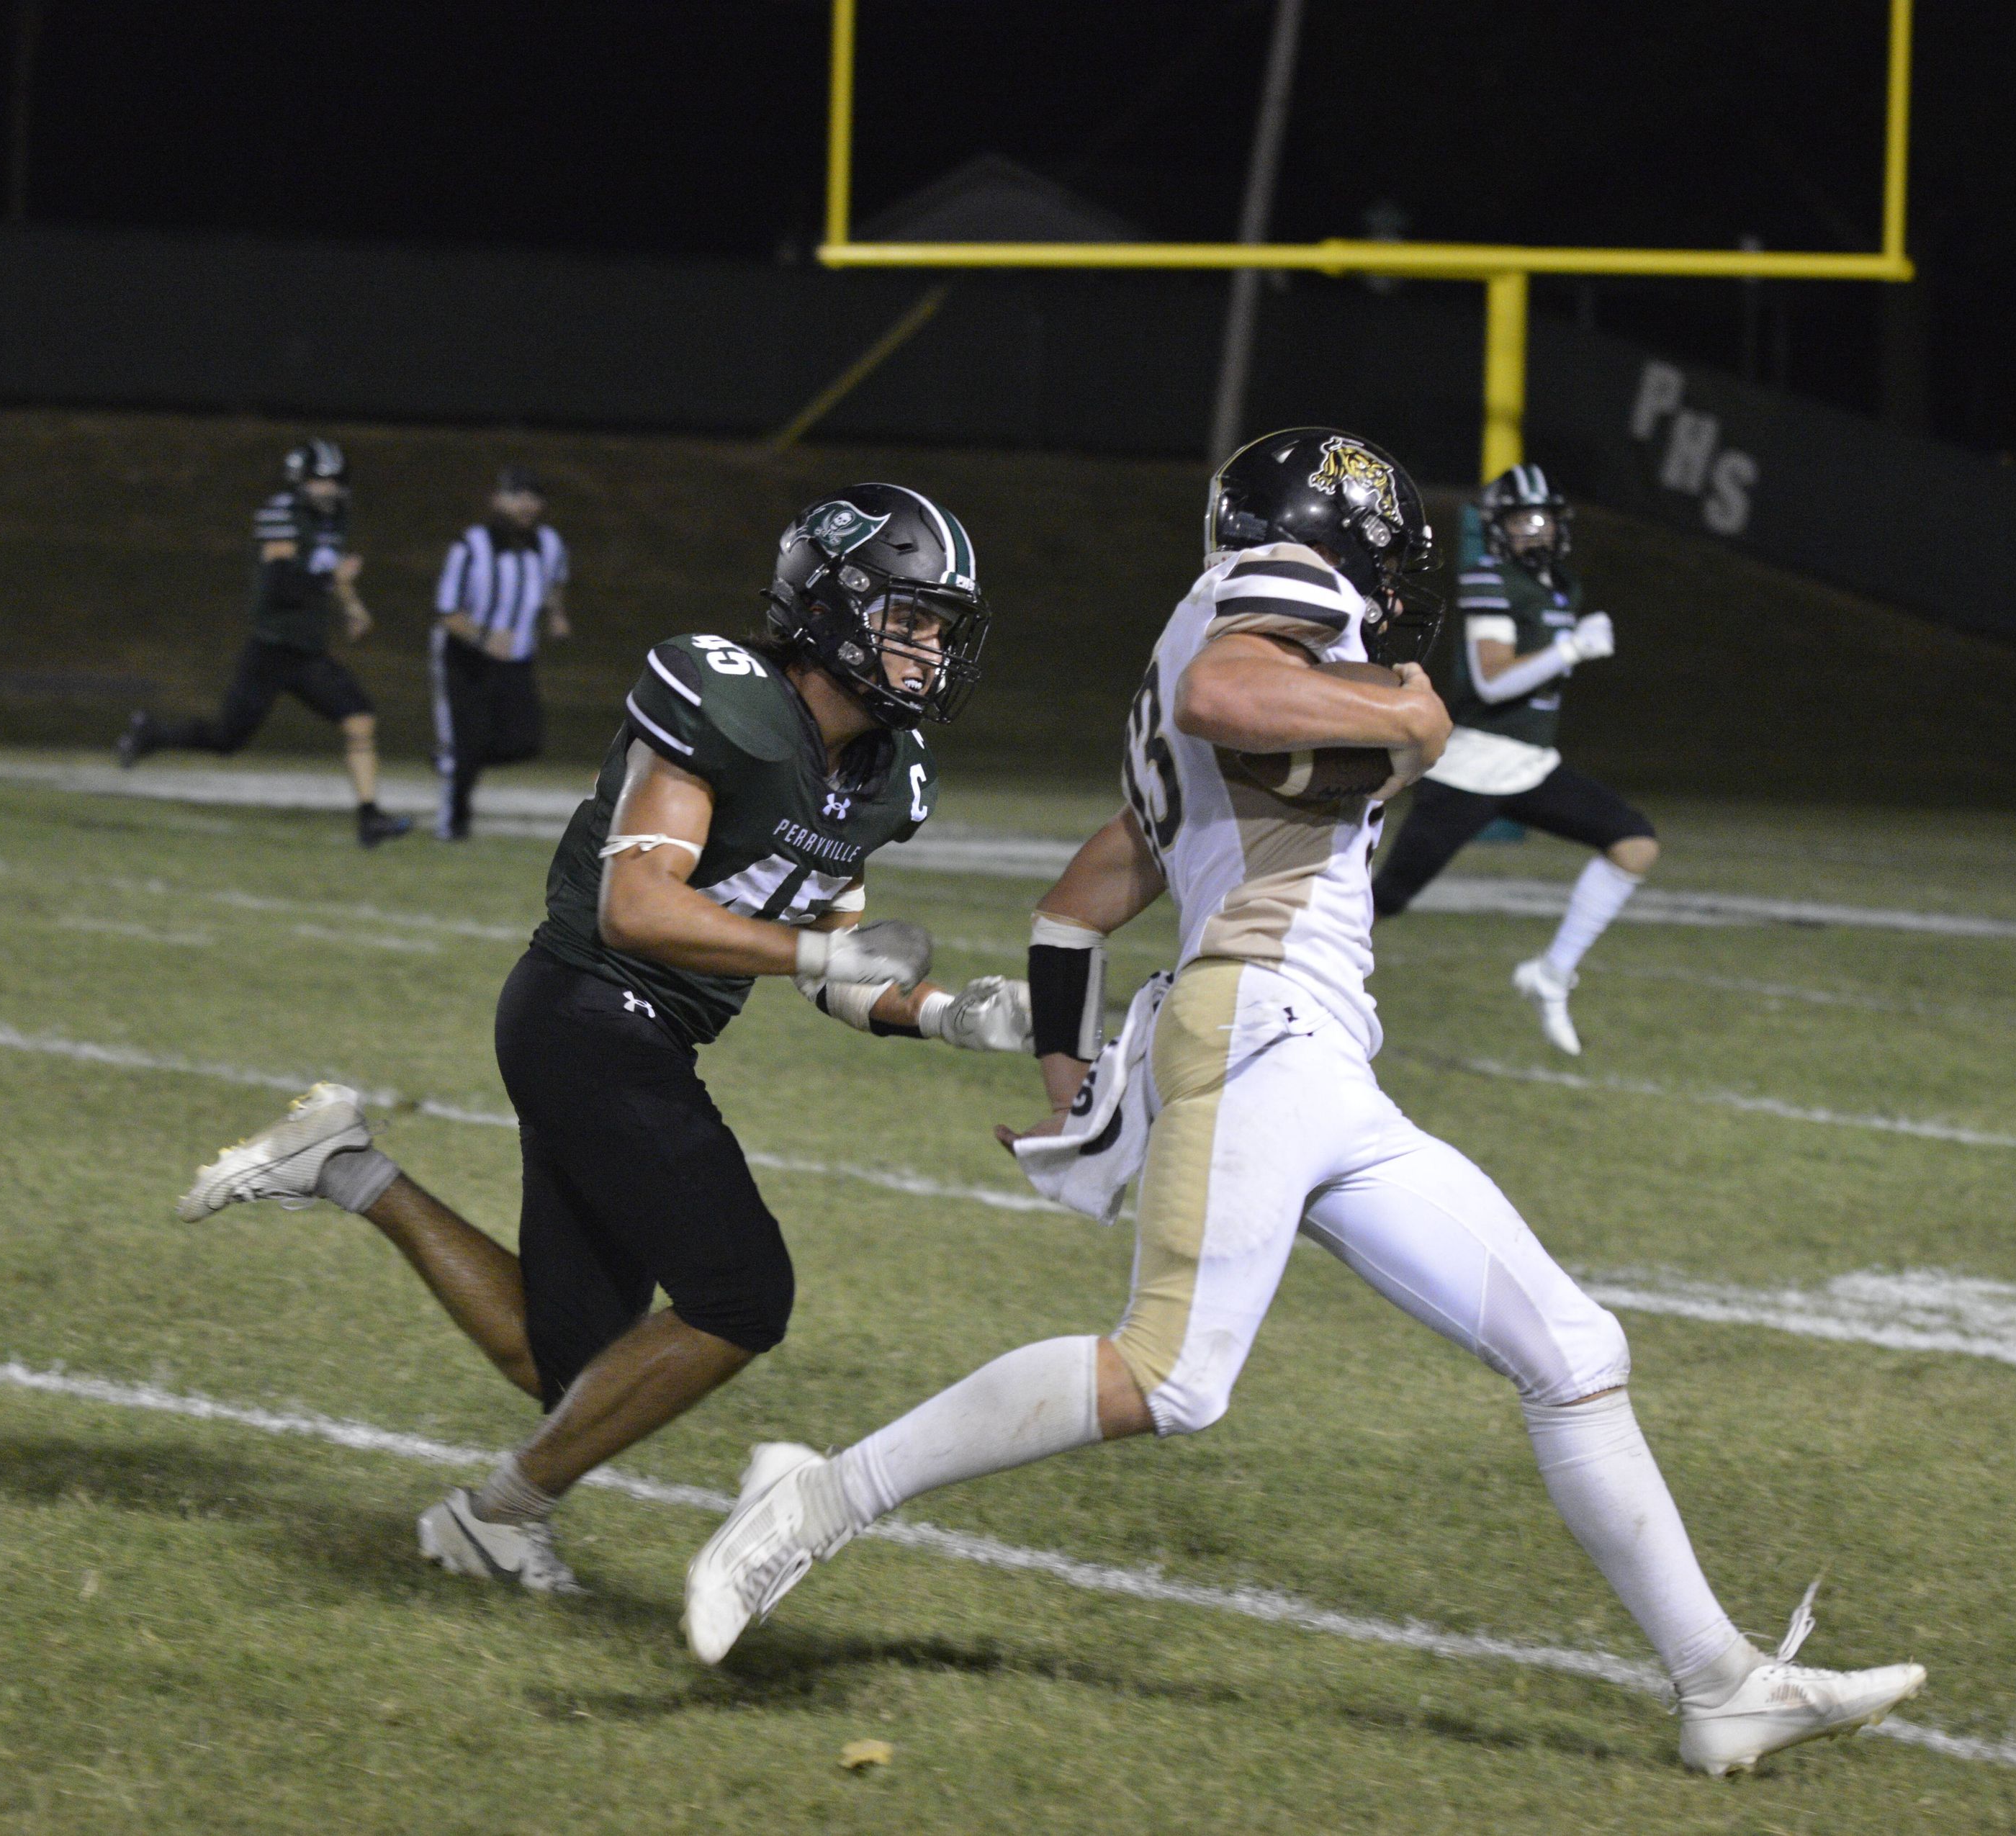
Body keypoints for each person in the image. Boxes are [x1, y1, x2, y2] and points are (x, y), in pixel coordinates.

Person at [683, 429, 1924, 1780]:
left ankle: (1721, 1681)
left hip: (1317, 1059)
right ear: (1336, 535)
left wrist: (1070, 1068)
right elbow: (1227, 693)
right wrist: (1412, 719)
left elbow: (1076, 903)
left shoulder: (1208, 633)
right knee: (1170, 1373)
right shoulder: (1275, 594)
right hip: (1263, 1027)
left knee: (1574, 1351)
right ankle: (816, 1496)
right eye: (1385, 545)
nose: (1393, 579)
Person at [172, 485, 1032, 1593]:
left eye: (940, 629)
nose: (928, 650)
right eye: (908, 619)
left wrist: (953, 1014)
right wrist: (824, 959)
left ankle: (347, 1165)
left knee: (570, 1359)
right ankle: (497, 1514)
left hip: (641, 1036)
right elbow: (640, 908)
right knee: (740, 1294)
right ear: (828, 604)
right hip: (585, 1005)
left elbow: (845, 969)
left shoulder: (886, 775)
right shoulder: (725, 697)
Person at [1369, 463, 1655, 1053]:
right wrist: (1572, 647)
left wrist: (1567, 646)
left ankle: (1550, 976)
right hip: (1474, 766)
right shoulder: (1489, 578)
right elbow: (1494, 682)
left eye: (1543, 519)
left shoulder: (1560, 588)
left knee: (1634, 843)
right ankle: (1280, 964)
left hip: (1531, 765)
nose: (1535, 531)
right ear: (1498, 529)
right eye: (1522, 520)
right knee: (1387, 897)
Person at [117, 436, 413, 848]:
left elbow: (327, 574)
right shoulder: (281, 514)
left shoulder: (334, 518)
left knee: (360, 717)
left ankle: (369, 818)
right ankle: (152, 733)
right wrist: (336, 583)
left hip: (309, 651)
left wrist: (351, 606)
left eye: (335, 481)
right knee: (227, 740)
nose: (329, 489)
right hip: (271, 648)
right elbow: (282, 585)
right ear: (300, 481)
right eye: (319, 481)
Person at [431, 467, 572, 840]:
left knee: (524, 741)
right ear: (497, 500)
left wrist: (556, 615)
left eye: (533, 496)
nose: (527, 504)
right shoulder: (471, 545)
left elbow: (556, 581)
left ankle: (457, 760)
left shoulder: (549, 543)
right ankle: (453, 824)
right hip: (467, 657)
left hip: (518, 658)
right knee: (468, 739)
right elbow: (446, 611)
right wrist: (483, 638)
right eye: (517, 495)